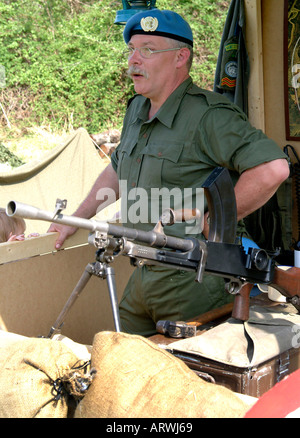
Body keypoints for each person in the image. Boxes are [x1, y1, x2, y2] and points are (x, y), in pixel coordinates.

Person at [47, 10, 290, 336]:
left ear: (180, 57)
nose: (133, 60)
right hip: (140, 272)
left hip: (193, 281)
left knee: (187, 380)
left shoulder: (208, 116)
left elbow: (273, 168)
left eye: (147, 49)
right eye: (131, 49)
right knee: (116, 366)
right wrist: (73, 219)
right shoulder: (137, 109)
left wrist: (213, 215)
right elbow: (117, 169)